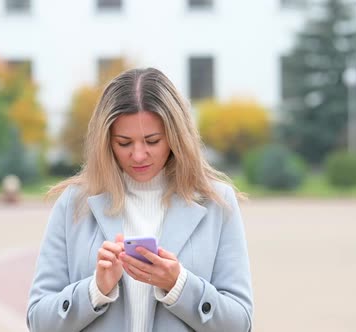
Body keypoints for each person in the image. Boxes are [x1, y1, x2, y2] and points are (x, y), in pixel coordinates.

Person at [27, 68, 253, 332]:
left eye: (152, 140)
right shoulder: (74, 203)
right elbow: (39, 322)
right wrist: (95, 290)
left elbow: (240, 324)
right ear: (106, 141)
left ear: (175, 136)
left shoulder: (217, 202)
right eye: (124, 143)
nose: (138, 155)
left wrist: (179, 284)